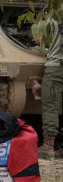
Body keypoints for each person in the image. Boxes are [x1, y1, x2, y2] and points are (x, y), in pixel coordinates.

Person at [35, 18, 63, 160]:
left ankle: (48, 146)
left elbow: (41, 41)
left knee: (50, 104)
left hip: (56, 67)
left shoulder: (53, 19)